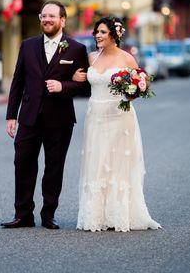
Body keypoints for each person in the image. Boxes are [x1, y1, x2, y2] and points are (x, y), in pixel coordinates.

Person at [1, 0, 90, 229]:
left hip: (59, 120)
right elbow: (18, 82)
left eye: (52, 16)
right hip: (29, 118)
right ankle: (23, 215)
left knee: (54, 167)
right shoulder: (28, 45)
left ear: (62, 20)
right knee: (22, 165)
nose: (47, 19)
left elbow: (86, 87)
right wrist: (12, 115)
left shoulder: (76, 49)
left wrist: (64, 87)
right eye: (44, 16)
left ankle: (48, 214)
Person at [73, 16, 161, 232]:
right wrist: (77, 78)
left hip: (120, 116)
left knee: (119, 163)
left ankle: (119, 212)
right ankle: (97, 215)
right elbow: (85, 84)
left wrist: (132, 92)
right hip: (95, 116)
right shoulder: (92, 57)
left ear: (114, 35)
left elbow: (140, 86)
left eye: (102, 32)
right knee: (96, 162)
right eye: (97, 32)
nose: (98, 36)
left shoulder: (127, 59)